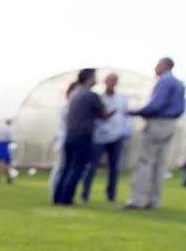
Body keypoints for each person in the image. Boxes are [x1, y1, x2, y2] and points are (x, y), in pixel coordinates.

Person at [125, 57, 186, 209]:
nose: (155, 68)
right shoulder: (179, 84)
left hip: (158, 123)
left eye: (157, 65)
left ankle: (138, 200)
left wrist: (136, 112)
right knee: (160, 164)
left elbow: (156, 105)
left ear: (164, 65)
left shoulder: (165, 82)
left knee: (145, 162)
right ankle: (153, 201)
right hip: (170, 124)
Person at [53, 69, 113, 205]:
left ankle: (58, 197)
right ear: (89, 78)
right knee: (77, 168)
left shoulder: (74, 94)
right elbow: (104, 114)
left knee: (67, 168)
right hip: (83, 136)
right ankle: (66, 198)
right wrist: (113, 112)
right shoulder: (91, 95)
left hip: (70, 135)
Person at [80, 73, 130, 203]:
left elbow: (125, 117)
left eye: (115, 81)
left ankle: (111, 195)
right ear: (105, 82)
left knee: (114, 168)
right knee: (92, 166)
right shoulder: (97, 96)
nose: (112, 83)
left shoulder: (122, 98)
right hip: (99, 136)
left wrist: (125, 132)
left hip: (117, 136)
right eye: (110, 80)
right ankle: (85, 193)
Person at [50, 81, 80, 201]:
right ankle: (55, 194)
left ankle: (61, 194)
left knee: (65, 169)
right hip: (64, 140)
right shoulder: (66, 106)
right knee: (60, 169)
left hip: (68, 139)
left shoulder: (70, 106)